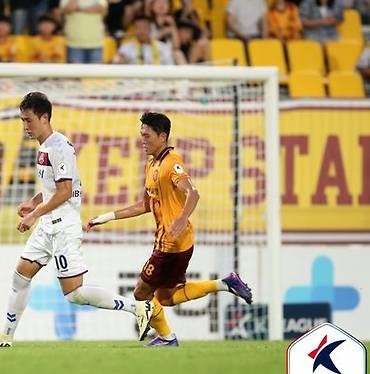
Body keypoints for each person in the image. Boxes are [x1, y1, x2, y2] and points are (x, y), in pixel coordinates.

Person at [0, 92, 153, 348]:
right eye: (22, 121)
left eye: (29, 120)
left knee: (74, 294)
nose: (25, 126)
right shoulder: (44, 147)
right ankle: (6, 336)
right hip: (48, 225)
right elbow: (56, 186)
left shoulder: (59, 147)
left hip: (63, 227)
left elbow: (66, 191)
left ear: (44, 117)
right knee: (20, 276)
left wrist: (34, 214)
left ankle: (137, 308)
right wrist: (34, 202)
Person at [87, 112, 253, 347]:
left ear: (162, 136)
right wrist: (106, 217)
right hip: (176, 241)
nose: (142, 141)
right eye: (141, 135)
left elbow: (193, 193)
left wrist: (180, 219)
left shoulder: (171, 163)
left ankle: (167, 337)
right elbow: (145, 204)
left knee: (141, 294)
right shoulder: (152, 164)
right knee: (165, 297)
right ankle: (225, 283)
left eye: (147, 136)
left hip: (171, 243)